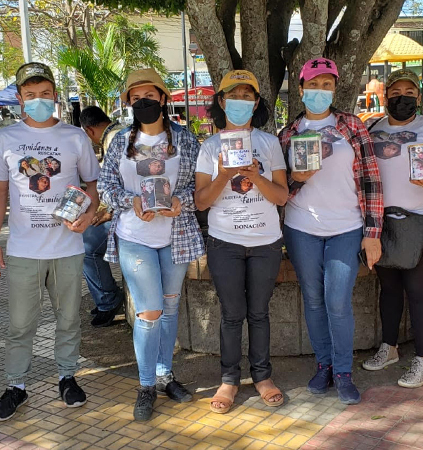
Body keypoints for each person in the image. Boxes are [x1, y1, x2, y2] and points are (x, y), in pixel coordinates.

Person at [0, 62, 100, 421]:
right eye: (31, 95)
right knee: (20, 323)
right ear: (20, 99)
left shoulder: (74, 137)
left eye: (45, 94)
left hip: (67, 247)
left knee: (68, 318)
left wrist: (88, 214)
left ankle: (67, 377)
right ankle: (16, 385)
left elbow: (91, 186)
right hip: (23, 249)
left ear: (55, 97)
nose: (39, 100)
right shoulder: (6, 138)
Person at [98, 68, 203, 421]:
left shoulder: (186, 141)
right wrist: (132, 202)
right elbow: (104, 187)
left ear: (163, 98)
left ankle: (164, 375)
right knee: (149, 312)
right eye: (136, 97)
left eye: (150, 96)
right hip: (134, 237)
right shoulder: (119, 143)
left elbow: (199, 188)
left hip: (175, 236)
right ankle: (145, 386)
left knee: (170, 309)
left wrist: (180, 202)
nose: (143, 102)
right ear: (128, 102)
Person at [278, 58, 383, 405]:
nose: (319, 92)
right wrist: (297, 178)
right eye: (313, 85)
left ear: (335, 89)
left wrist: (373, 231)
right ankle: (323, 364)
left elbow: (371, 179)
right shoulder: (289, 133)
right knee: (312, 299)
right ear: (302, 87)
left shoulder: (351, 126)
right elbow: (281, 188)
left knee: (337, 302)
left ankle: (343, 371)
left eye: (327, 85)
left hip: (346, 227)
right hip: (301, 227)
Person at [194, 70, 289, 414]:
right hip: (225, 243)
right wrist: (224, 174)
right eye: (233, 96)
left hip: (265, 242)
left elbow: (281, 196)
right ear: (221, 102)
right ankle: (229, 379)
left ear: (257, 103)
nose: (240, 102)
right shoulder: (209, 147)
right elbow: (201, 202)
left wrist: (253, 175)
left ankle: (262, 376)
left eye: (248, 96)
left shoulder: (269, 143)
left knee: (259, 313)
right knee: (232, 315)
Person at [361, 69, 423, 388]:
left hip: (421, 216)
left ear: (419, 96)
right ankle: (388, 348)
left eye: (409, 91)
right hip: (379, 219)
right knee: (388, 289)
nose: (401, 97)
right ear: (385, 95)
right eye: (395, 91)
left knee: (417, 289)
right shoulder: (372, 127)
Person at [79, 105, 125, 327]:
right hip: (120, 209)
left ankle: (108, 300)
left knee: (87, 249)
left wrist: (109, 212)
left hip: (126, 213)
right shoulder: (117, 133)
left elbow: (129, 182)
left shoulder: (115, 138)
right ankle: (108, 295)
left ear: (89, 131)